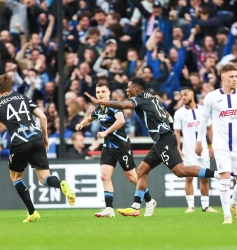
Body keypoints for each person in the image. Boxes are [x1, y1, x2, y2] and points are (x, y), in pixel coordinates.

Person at [84, 77, 220, 217]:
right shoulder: (153, 98)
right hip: (159, 140)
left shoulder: (139, 98)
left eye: (128, 87)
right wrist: (168, 119)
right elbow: (165, 113)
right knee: (141, 170)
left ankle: (217, 174)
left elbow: (124, 105)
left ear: (136, 89)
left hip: (164, 138)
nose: (126, 90)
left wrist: (100, 102)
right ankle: (136, 206)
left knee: (180, 171)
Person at [0, 74, 75, 223]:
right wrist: (45, 137)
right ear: (11, 87)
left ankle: (32, 212)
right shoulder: (22, 97)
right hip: (37, 138)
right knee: (44, 178)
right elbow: (43, 117)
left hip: (19, 141)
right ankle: (60, 184)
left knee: (15, 177)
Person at [76, 82, 156, 217]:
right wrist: (81, 124)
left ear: (109, 93)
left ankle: (149, 201)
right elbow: (90, 118)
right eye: (98, 92)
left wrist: (106, 132)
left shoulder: (114, 105)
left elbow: (121, 121)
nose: (100, 94)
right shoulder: (98, 109)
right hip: (108, 147)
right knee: (104, 176)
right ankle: (108, 209)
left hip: (121, 146)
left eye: (103, 92)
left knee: (132, 177)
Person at [195, 64, 237, 224]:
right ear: (223, 78)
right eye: (231, 77)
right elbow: (203, 121)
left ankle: (233, 203)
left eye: (236, 77)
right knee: (224, 177)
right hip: (221, 144)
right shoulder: (211, 97)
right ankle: (226, 216)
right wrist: (199, 141)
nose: (234, 79)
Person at [174, 87, 218, 213]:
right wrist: (178, 148)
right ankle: (191, 206)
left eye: (185, 94)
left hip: (203, 149)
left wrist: (213, 146)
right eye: (181, 95)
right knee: (189, 176)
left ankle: (205, 206)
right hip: (188, 150)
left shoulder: (203, 110)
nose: (183, 97)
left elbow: (210, 129)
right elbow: (176, 132)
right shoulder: (179, 113)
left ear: (192, 94)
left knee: (204, 177)